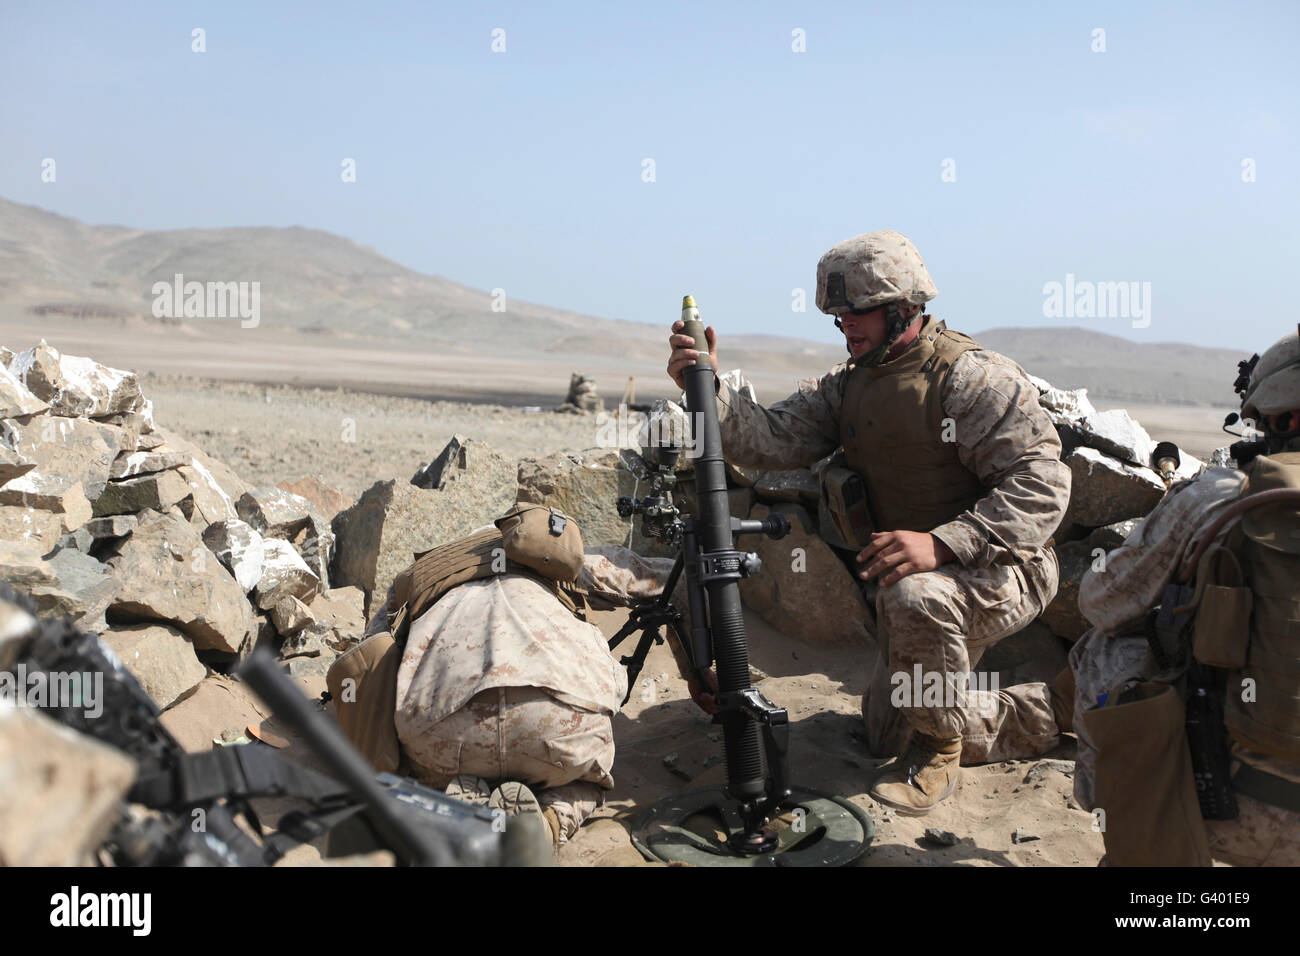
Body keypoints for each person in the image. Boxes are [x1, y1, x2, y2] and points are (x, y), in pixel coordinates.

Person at [665, 229, 1072, 815]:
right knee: (887, 732)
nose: (846, 328)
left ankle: (940, 748)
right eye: (838, 318)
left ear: (903, 308)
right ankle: (1053, 710)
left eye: (857, 314)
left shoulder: (973, 379)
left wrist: (945, 542)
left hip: (1005, 567)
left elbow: (1043, 485)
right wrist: (704, 388)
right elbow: (772, 440)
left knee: (915, 607)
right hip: (919, 581)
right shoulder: (851, 384)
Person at [1070, 326, 1300, 865]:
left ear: (1279, 418)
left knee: (1104, 650)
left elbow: (1101, 602)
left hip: (1230, 802)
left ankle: (1133, 837)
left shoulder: (1221, 497)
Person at [373, 518, 683, 850]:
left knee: (418, 764)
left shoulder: (420, 576)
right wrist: (697, 676)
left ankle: (456, 800)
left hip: (445, 733)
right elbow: (675, 578)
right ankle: (550, 822)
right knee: (589, 782)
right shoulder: (565, 560)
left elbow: (367, 662)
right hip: (558, 724)